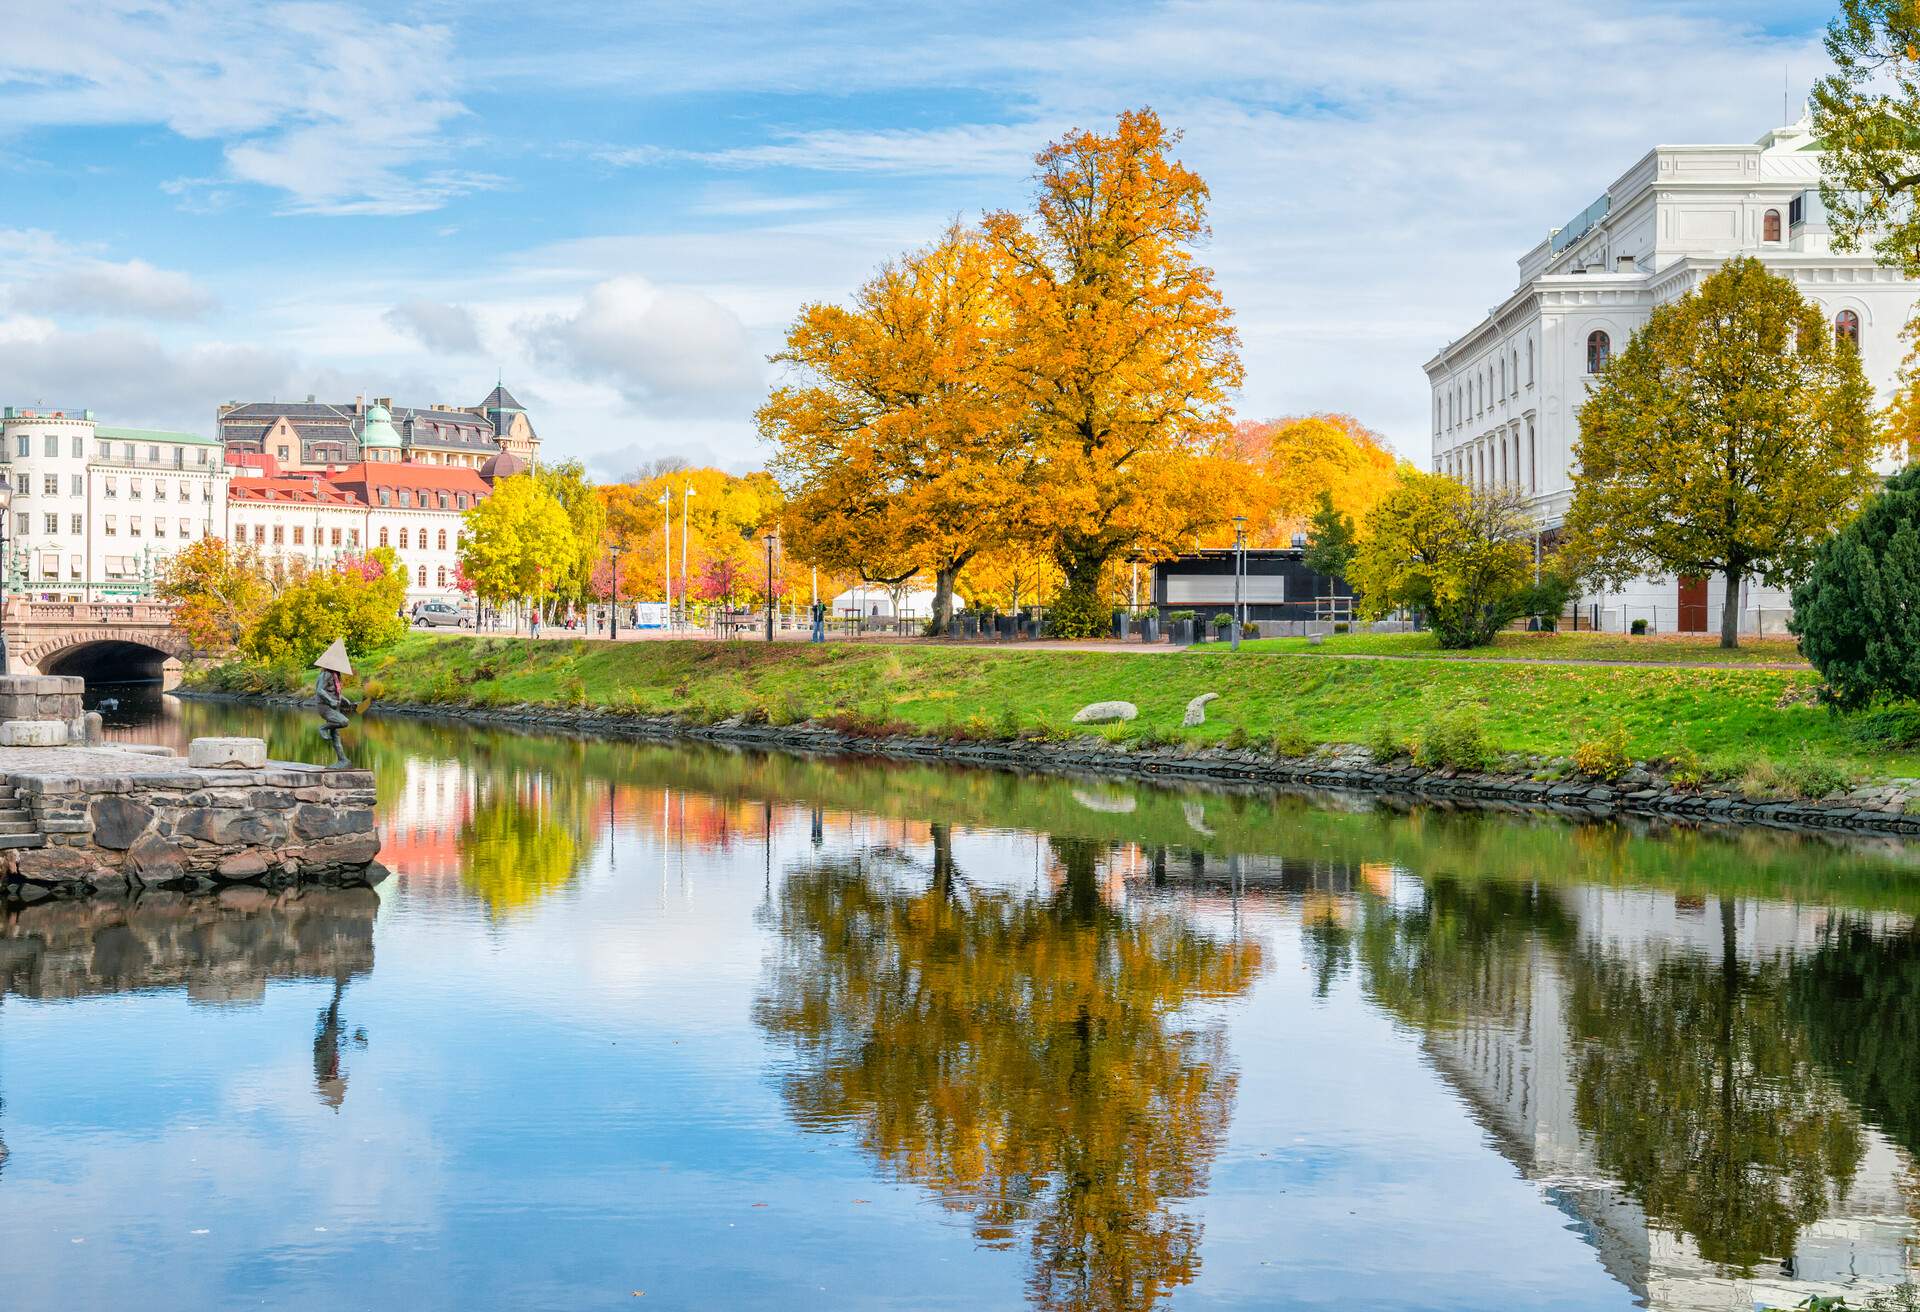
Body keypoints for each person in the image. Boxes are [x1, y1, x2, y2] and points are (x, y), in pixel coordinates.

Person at [313, 638, 356, 768]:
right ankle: (322, 728)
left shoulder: (336, 675)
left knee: (335, 735)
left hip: (334, 706)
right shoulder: (326, 674)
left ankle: (342, 760)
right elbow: (320, 690)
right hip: (325, 707)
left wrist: (344, 699)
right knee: (344, 722)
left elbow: (335, 691)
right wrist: (330, 700)